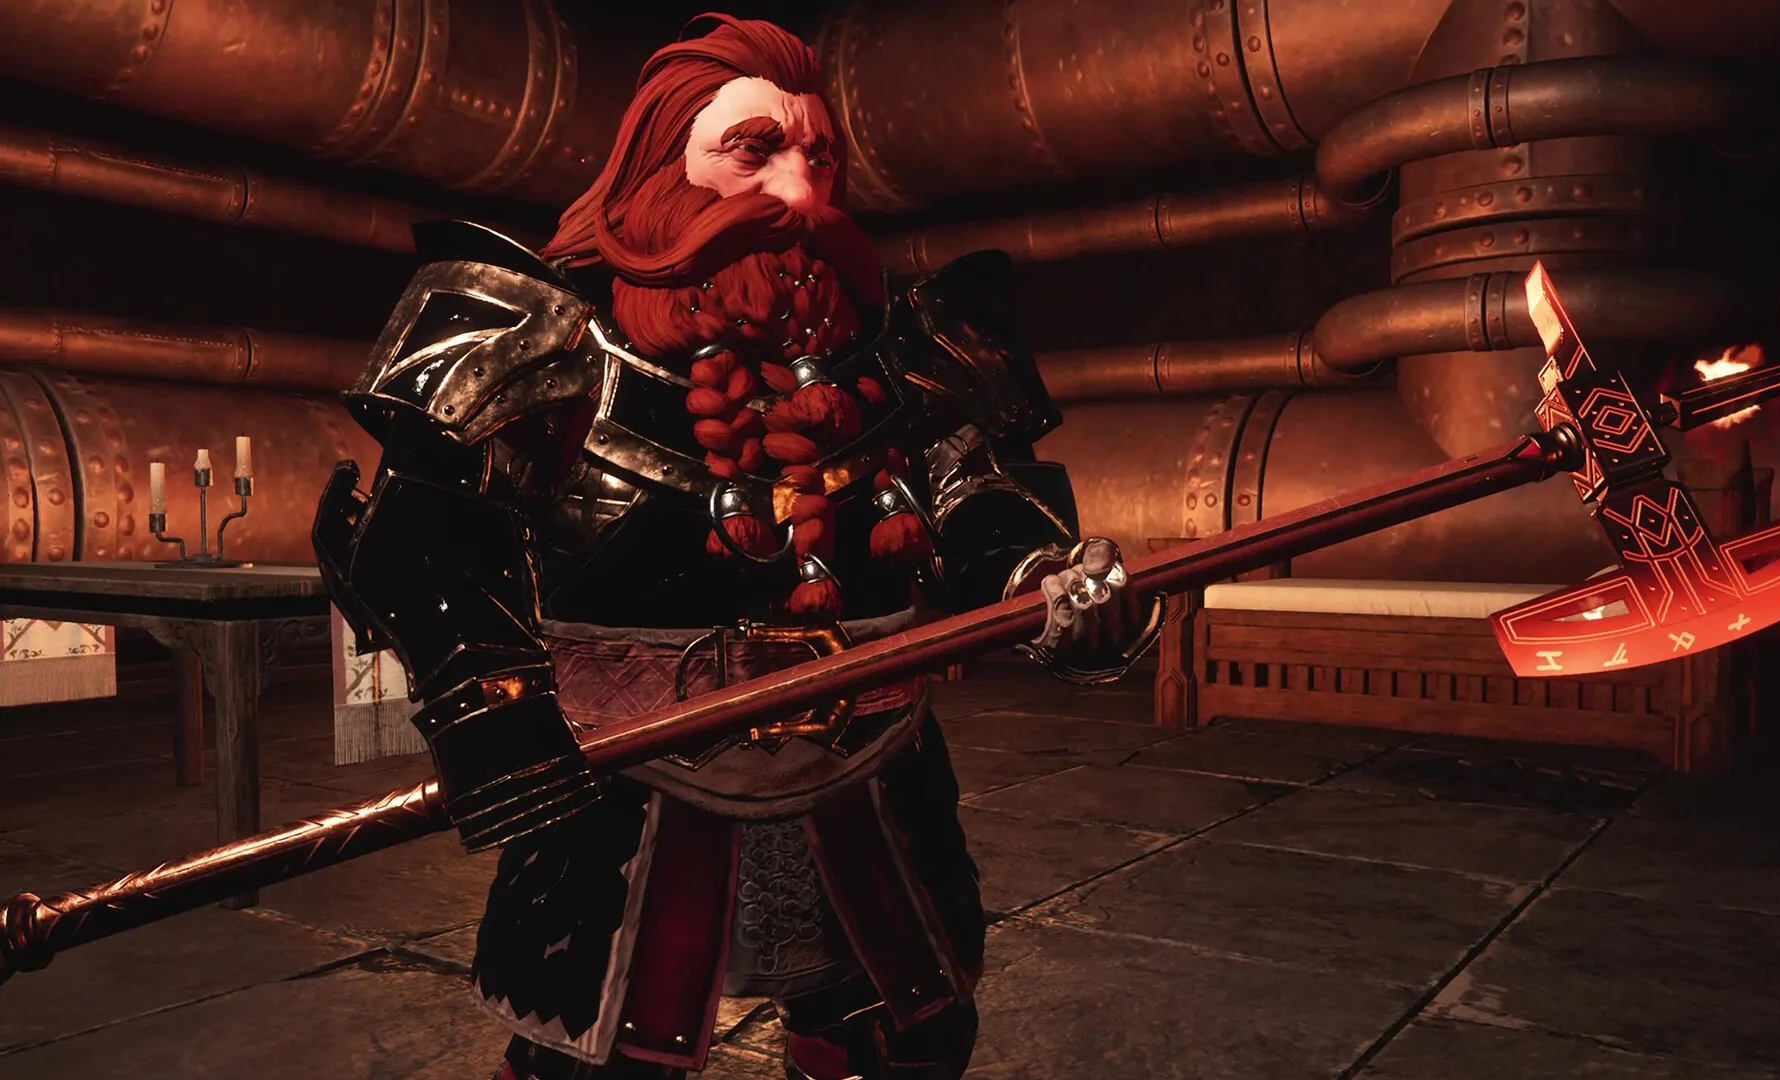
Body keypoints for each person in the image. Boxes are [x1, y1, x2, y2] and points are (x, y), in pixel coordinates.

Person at [312, 14, 1160, 1080]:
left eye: (819, 159)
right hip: (630, 776)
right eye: (753, 152)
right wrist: (500, 723)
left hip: (870, 765)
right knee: (598, 1061)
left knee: (903, 1042)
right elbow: (424, 533)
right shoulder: (543, 335)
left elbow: (971, 492)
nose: (799, 194)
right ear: (658, 164)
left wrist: (1048, 578)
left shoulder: (897, 347)